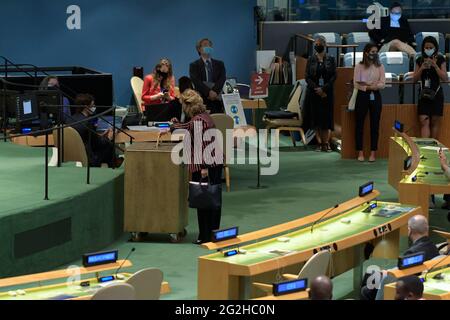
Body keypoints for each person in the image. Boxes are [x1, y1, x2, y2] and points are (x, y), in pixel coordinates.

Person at [172, 89, 223, 244]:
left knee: (205, 202)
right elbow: (188, 127)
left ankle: (205, 237)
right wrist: (176, 125)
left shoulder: (198, 121)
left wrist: (204, 168)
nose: (182, 108)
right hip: (213, 163)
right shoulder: (202, 117)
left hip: (206, 165)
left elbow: (203, 145)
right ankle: (211, 234)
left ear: (188, 105)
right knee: (212, 200)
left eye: (182, 105)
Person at [361, 215, 439, 300]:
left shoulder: (411, 253)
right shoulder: (433, 247)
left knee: (366, 289)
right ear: (426, 229)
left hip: (406, 285)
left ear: (409, 230)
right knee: (371, 275)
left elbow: (401, 275)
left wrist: (387, 273)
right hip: (420, 282)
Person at [68, 93, 121, 168]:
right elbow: (98, 144)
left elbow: (87, 138)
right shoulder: (87, 123)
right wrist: (109, 137)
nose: (94, 107)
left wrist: (101, 135)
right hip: (88, 157)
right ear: (86, 107)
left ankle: (114, 162)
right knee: (109, 144)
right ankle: (113, 164)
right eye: (92, 105)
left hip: (74, 154)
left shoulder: (69, 119)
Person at [304, 36, 337, 152]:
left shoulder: (331, 59)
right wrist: (317, 88)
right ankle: (319, 143)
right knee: (316, 119)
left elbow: (334, 76)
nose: (317, 46)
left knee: (327, 119)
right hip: (314, 93)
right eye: (316, 44)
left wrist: (324, 89)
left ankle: (326, 143)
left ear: (324, 45)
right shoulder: (311, 59)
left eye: (319, 44)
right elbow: (307, 77)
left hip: (327, 93)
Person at [354, 43, 386, 162]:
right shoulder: (359, 66)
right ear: (366, 53)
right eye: (372, 52)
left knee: (375, 125)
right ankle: (360, 152)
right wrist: (367, 88)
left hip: (375, 95)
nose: (374, 54)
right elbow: (356, 83)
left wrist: (375, 87)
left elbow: (383, 82)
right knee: (359, 124)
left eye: (376, 52)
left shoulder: (380, 66)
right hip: (362, 95)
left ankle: (373, 153)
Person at [413, 36, 448, 139]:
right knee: (424, 120)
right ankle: (424, 149)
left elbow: (445, 78)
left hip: (437, 94)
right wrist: (422, 68)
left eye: (430, 47)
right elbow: (414, 80)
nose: (428, 49)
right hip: (424, 94)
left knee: (434, 122)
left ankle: (433, 149)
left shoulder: (441, 59)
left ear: (435, 48)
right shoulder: (419, 60)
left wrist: (435, 66)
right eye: (426, 47)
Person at [189, 38, 226, 114]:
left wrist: (214, 92)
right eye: (205, 45)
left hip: (217, 100)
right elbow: (196, 81)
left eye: (210, 45)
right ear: (199, 49)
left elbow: (222, 79)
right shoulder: (194, 65)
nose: (208, 47)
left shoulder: (220, 64)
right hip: (202, 101)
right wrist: (209, 92)